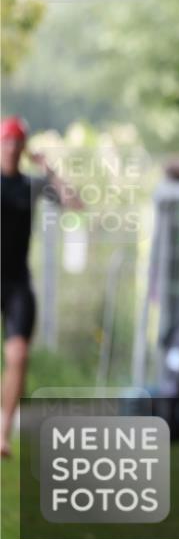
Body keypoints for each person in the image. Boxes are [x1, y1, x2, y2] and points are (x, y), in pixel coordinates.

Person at [1, 116, 83, 458]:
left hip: (17, 282)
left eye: (18, 141)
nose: (12, 147)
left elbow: (74, 203)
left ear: (24, 146)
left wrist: (49, 168)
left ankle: (2, 433)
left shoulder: (30, 186)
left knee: (19, 356)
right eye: (8, 141)